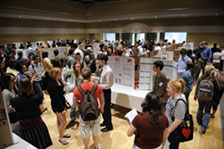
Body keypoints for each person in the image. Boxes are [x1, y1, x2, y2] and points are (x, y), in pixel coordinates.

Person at [11, 78, 52, 149]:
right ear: (30, 85)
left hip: (25, 128)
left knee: (30, 146)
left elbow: (15, 110)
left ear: (19, 86)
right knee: (42, 145)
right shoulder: (36, 97)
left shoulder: (14, 101)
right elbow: (41, 110)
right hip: (37, 125)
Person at [73, 67, 104, 149]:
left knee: (85, 133)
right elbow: (102, 101)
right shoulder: (98, 87)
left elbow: (75, 103)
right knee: (96, 132)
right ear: (91, 75)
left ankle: (86, 147)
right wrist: (101, 109)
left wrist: (81, 103)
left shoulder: (77, 89)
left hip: (84, 114)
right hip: (95, 112)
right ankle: (96, 146)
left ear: (81, 76)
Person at [47, 67, 70, 145]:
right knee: (63, 121)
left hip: (61, 103)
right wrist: (62, 108)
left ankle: (62, 133)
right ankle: (61, 137)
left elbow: (60, 92)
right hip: (57, 105)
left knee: (60, 121)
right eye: (59, 73)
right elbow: (55, 98)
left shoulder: (58, 81)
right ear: (55, 74)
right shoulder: (51, 84)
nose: (61, 74)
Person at [165, 79, 187, 149]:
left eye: (168, 88)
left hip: (174, 131)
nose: (166, 89)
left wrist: (168, 132)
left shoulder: (180, 102)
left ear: (174, 90)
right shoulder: (172, 97)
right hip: (169, 127)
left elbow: (178, 121)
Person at [194, 65, 215, 134]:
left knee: (200, 109)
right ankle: (203, 127)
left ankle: (199, 121)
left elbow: (197, 86)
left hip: (200, 97)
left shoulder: (201, 78)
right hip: (209, 98)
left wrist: (195, 94)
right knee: (207, 112)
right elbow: (218, 88)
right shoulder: (213, 79)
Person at [98, 54, 114, 132]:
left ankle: (109, 126)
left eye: (99, 60)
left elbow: (109, 84)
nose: (98, 62)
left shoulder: (108, 70)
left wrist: (99, 85)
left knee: (106, 109)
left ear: (103, 61)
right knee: (103, 107)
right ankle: (105, 121)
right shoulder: (103, 69)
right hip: (102, 90)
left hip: (106, 91)